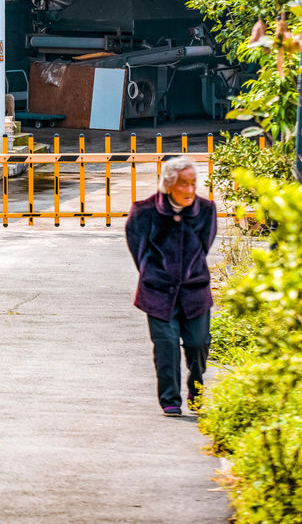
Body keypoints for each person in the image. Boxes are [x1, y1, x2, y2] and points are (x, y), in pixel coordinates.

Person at [125, 155, 217, 417]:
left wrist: (188, 272)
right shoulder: (143, 212)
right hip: (157, 292)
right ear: (168, 185)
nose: (189, 190)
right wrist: (153, 274)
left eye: (193, 183)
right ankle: (170, 399)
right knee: (165, 345)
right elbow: (138, 250)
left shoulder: (206, 210)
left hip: (195, 291)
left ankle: (195, 389)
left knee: (198, 344)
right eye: (183, 184)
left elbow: (204, 246)